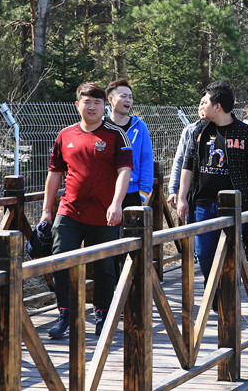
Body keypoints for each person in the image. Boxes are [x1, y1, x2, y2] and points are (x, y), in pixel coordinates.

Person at [41, 82, 133, 339]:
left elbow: (124, 171)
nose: (92, 107)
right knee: (61, 260)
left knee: (104, 266)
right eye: (87, 102)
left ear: (105, 106)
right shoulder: (65, 135)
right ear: (77, 104)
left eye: (97, 102)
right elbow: (55, 173)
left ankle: (102, 314)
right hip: (69, 211)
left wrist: (116, 204)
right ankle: (65, 314)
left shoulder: (116, 135)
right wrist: (47, 210)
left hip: (104, 214)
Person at [176, 82, 248, 284]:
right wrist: (182, 197)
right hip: (202, 204)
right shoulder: (198, 130)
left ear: (217, 106)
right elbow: (187, 165)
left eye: (205, 102)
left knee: (232, 255)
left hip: (235, 206)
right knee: (204, 254)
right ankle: (214, 292)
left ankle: (226, 295)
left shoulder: (246, 133)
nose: (201, 106)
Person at [105, 79, 154, 208]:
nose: (128, 100)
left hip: (132, 193)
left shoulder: (140, 126)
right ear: (110, 99)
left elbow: (147, 160)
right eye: (123, 96)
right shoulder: (101, 126)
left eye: (130, 97)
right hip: (105, 191)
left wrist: (143, 193)